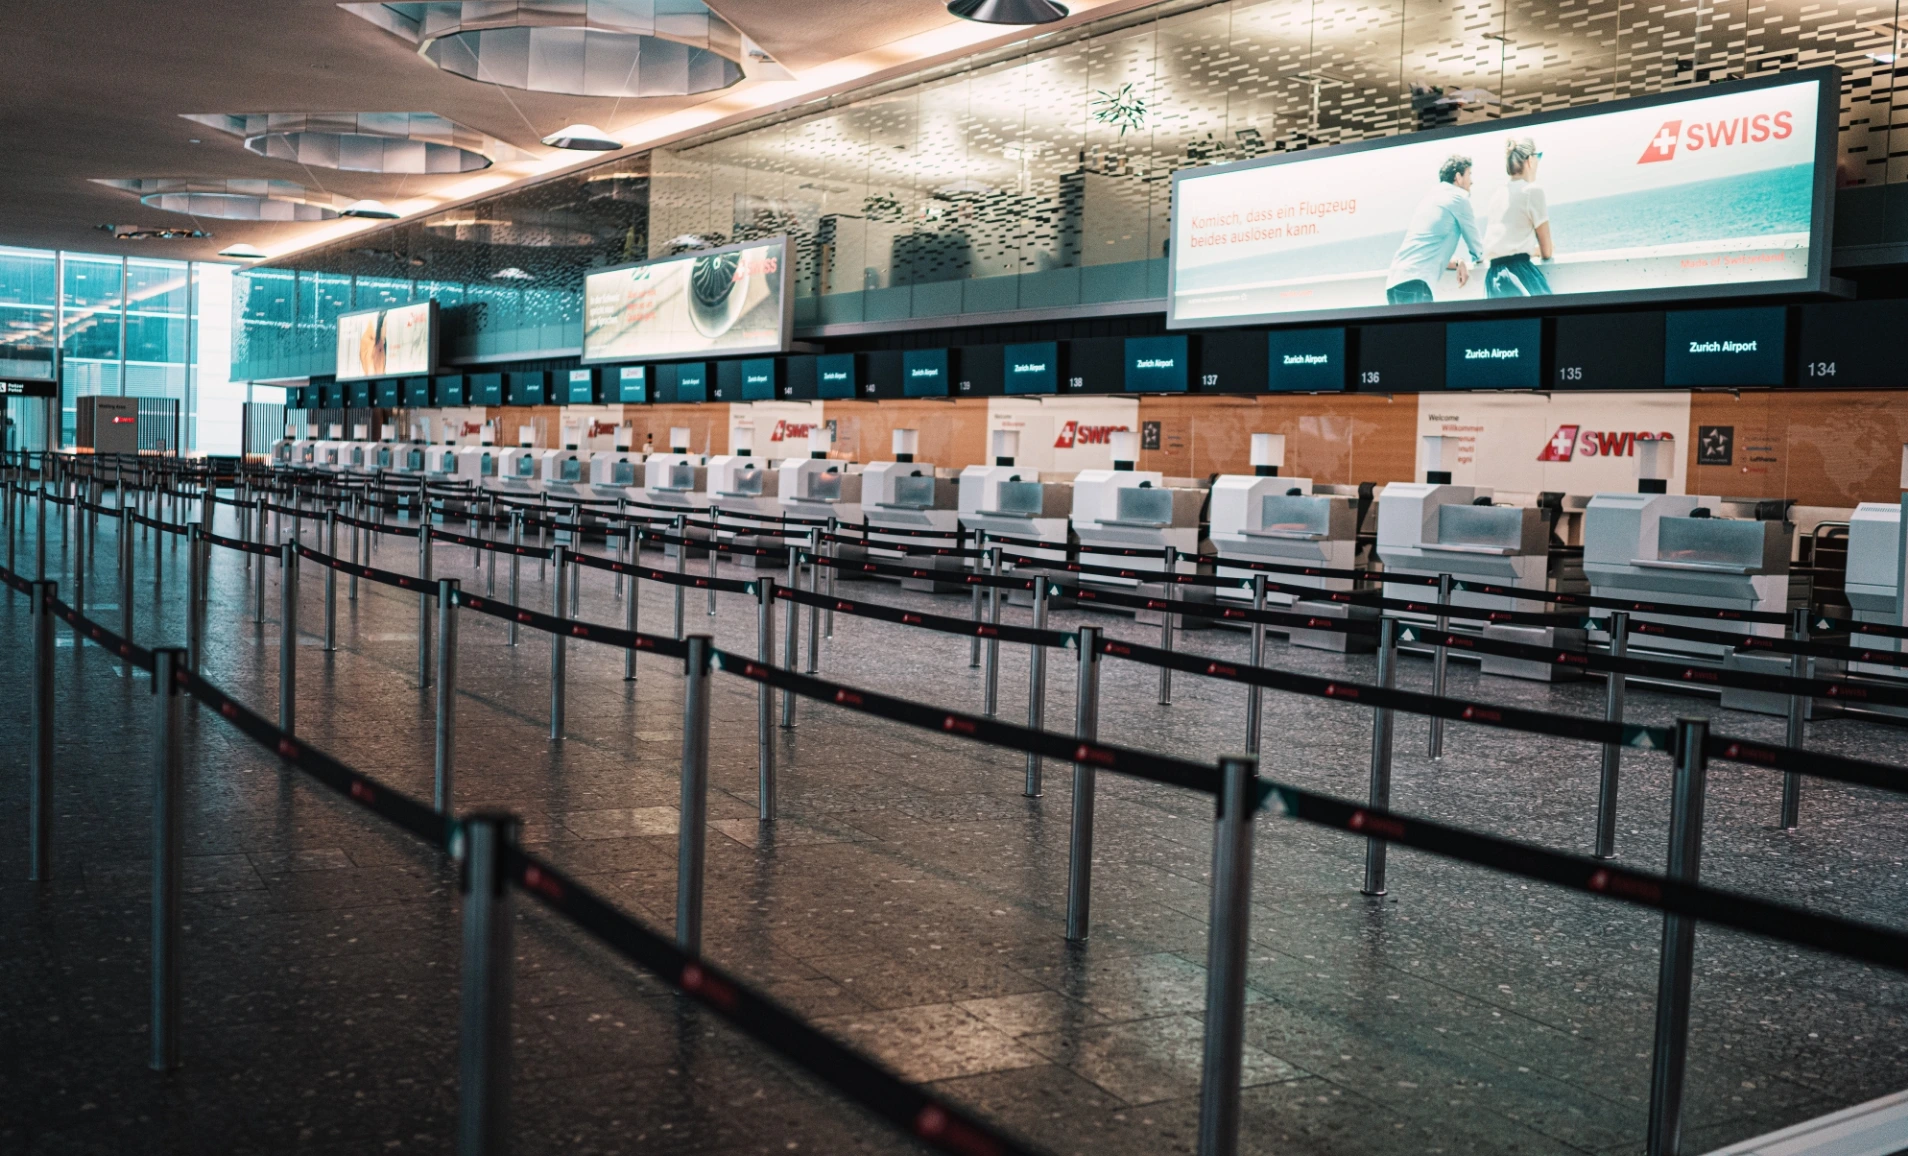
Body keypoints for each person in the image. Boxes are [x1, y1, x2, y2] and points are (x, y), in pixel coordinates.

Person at [1383, 154, 1484, 304]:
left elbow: (1429, 249)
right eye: (1469, 174)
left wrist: (1458, 261)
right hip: (1416, 283)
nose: (1472, 181)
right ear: (1458, 177)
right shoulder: (1459, 198)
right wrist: (1479, 259)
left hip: (1394, 283)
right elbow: (1477, 250)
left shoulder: (1430, 199)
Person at [1482, 137, 1554, 297]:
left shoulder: (1496, 195)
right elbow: (1547, 251)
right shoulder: (1533, 191)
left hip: (1494, 277)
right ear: (1529, 160)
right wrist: (1539, 251)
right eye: (1538, 157)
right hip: (1518, 274)